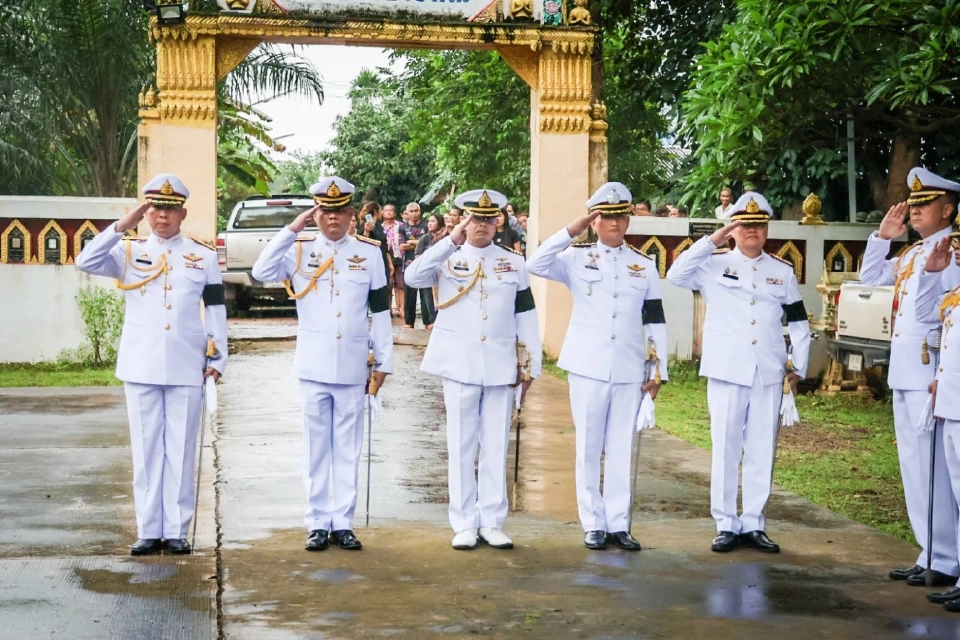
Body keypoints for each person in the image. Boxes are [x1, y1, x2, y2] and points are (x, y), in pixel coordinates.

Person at [75, 173, 228, 556]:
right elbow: (85, 260)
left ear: (183, 213)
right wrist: (122, 225)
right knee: (145, 450)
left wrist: (217, 356)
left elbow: (216, 309)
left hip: (186, 362)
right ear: (147, 212)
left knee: (180, 448)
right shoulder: (126, 251)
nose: (163, 216)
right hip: (141, 363)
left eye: (170, 209)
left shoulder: (203, 256)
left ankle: (175, 530)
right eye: (156, 208)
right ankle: (148, 528)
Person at [251, 176, 394, 553]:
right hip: (313, 365)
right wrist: (292, 227)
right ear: (316, 215)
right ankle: (317, 521)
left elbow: (380, 311)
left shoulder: (370, 252)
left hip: (352, 364)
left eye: (340, 211)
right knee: (316, 448)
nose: (333, 219)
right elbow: (261, 271)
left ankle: (342, 523)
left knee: (348, 447)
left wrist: (384, 361)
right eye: (325, 212)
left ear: (351, 214)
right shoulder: (297, 249)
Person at [527, 182, 668, 551]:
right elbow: (536, 262)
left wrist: (658, 371)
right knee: (589, 446)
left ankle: (618, 523)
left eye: (621, 216)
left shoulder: (644, 264)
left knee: (622, 446)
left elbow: (655, 319)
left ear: (628, 219)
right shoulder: (576, 257)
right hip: (588, 365)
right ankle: (592, 522)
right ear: (596, 219)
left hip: (629, 366)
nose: (616, 223)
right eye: (607, 216)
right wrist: (571, 231)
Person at [667, 192, 811, 554]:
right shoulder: (712, 264)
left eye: (759, 225)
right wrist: (712, 239)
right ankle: (726, 523)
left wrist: (797, 366)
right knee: (726, 447)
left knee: (762, 449)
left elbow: (798, 322)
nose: (753, 231)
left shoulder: (781, 270)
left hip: (768, 370)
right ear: (733, 229)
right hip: (728, 369)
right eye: (745, 225)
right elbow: (674, 274)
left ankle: (754, 523)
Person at [404, 189, 542, 551]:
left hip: (500, 364)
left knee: (496, 443)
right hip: (459, 362)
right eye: (473, 218)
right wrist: (450, 239)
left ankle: (492, 520)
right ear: (464, 219)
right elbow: (413, 277)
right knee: (462, 443)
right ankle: (464, 521)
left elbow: (525, 315)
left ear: (498, 221)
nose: (480, 225)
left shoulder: (513, 262)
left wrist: (529, 367)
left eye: (487, 218)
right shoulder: (447, 256)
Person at [860, 167, 960, 587]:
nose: (914, 212)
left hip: (933, 375)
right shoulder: (912, 254)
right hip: (905, 372)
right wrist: (881, 237)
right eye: (912, 206)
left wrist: (943, 373)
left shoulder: (952, 254)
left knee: (937, 470)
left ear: (947, 210)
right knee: (915, 468)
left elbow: (947, 319)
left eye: (923, 206)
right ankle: (930, 551)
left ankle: (947, 558)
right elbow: (869, 280)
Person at [398, 202, 431, 329]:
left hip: (424, 262)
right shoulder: (402, 227)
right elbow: (402, 246)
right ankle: (409, 321)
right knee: (409, 293)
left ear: (420, 211)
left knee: (425, 292)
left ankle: (428, 321)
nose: (414, 213)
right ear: (407, 213)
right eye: (411, 211)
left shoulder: (426, 226)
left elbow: (429, 244)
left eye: (416, 210)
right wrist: (418, 243)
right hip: (408, 262)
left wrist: (411, 242)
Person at [381, 204, 404, 317]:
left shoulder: (401, 226)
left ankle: (402, 309)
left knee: (400, 285)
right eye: (386, 210)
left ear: (395, 213)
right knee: (388, 285)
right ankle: (388, 309)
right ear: (382, 213)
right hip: (386, 257)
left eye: (391, 210)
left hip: (399, 256)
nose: (389, 212)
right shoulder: (380, 227)